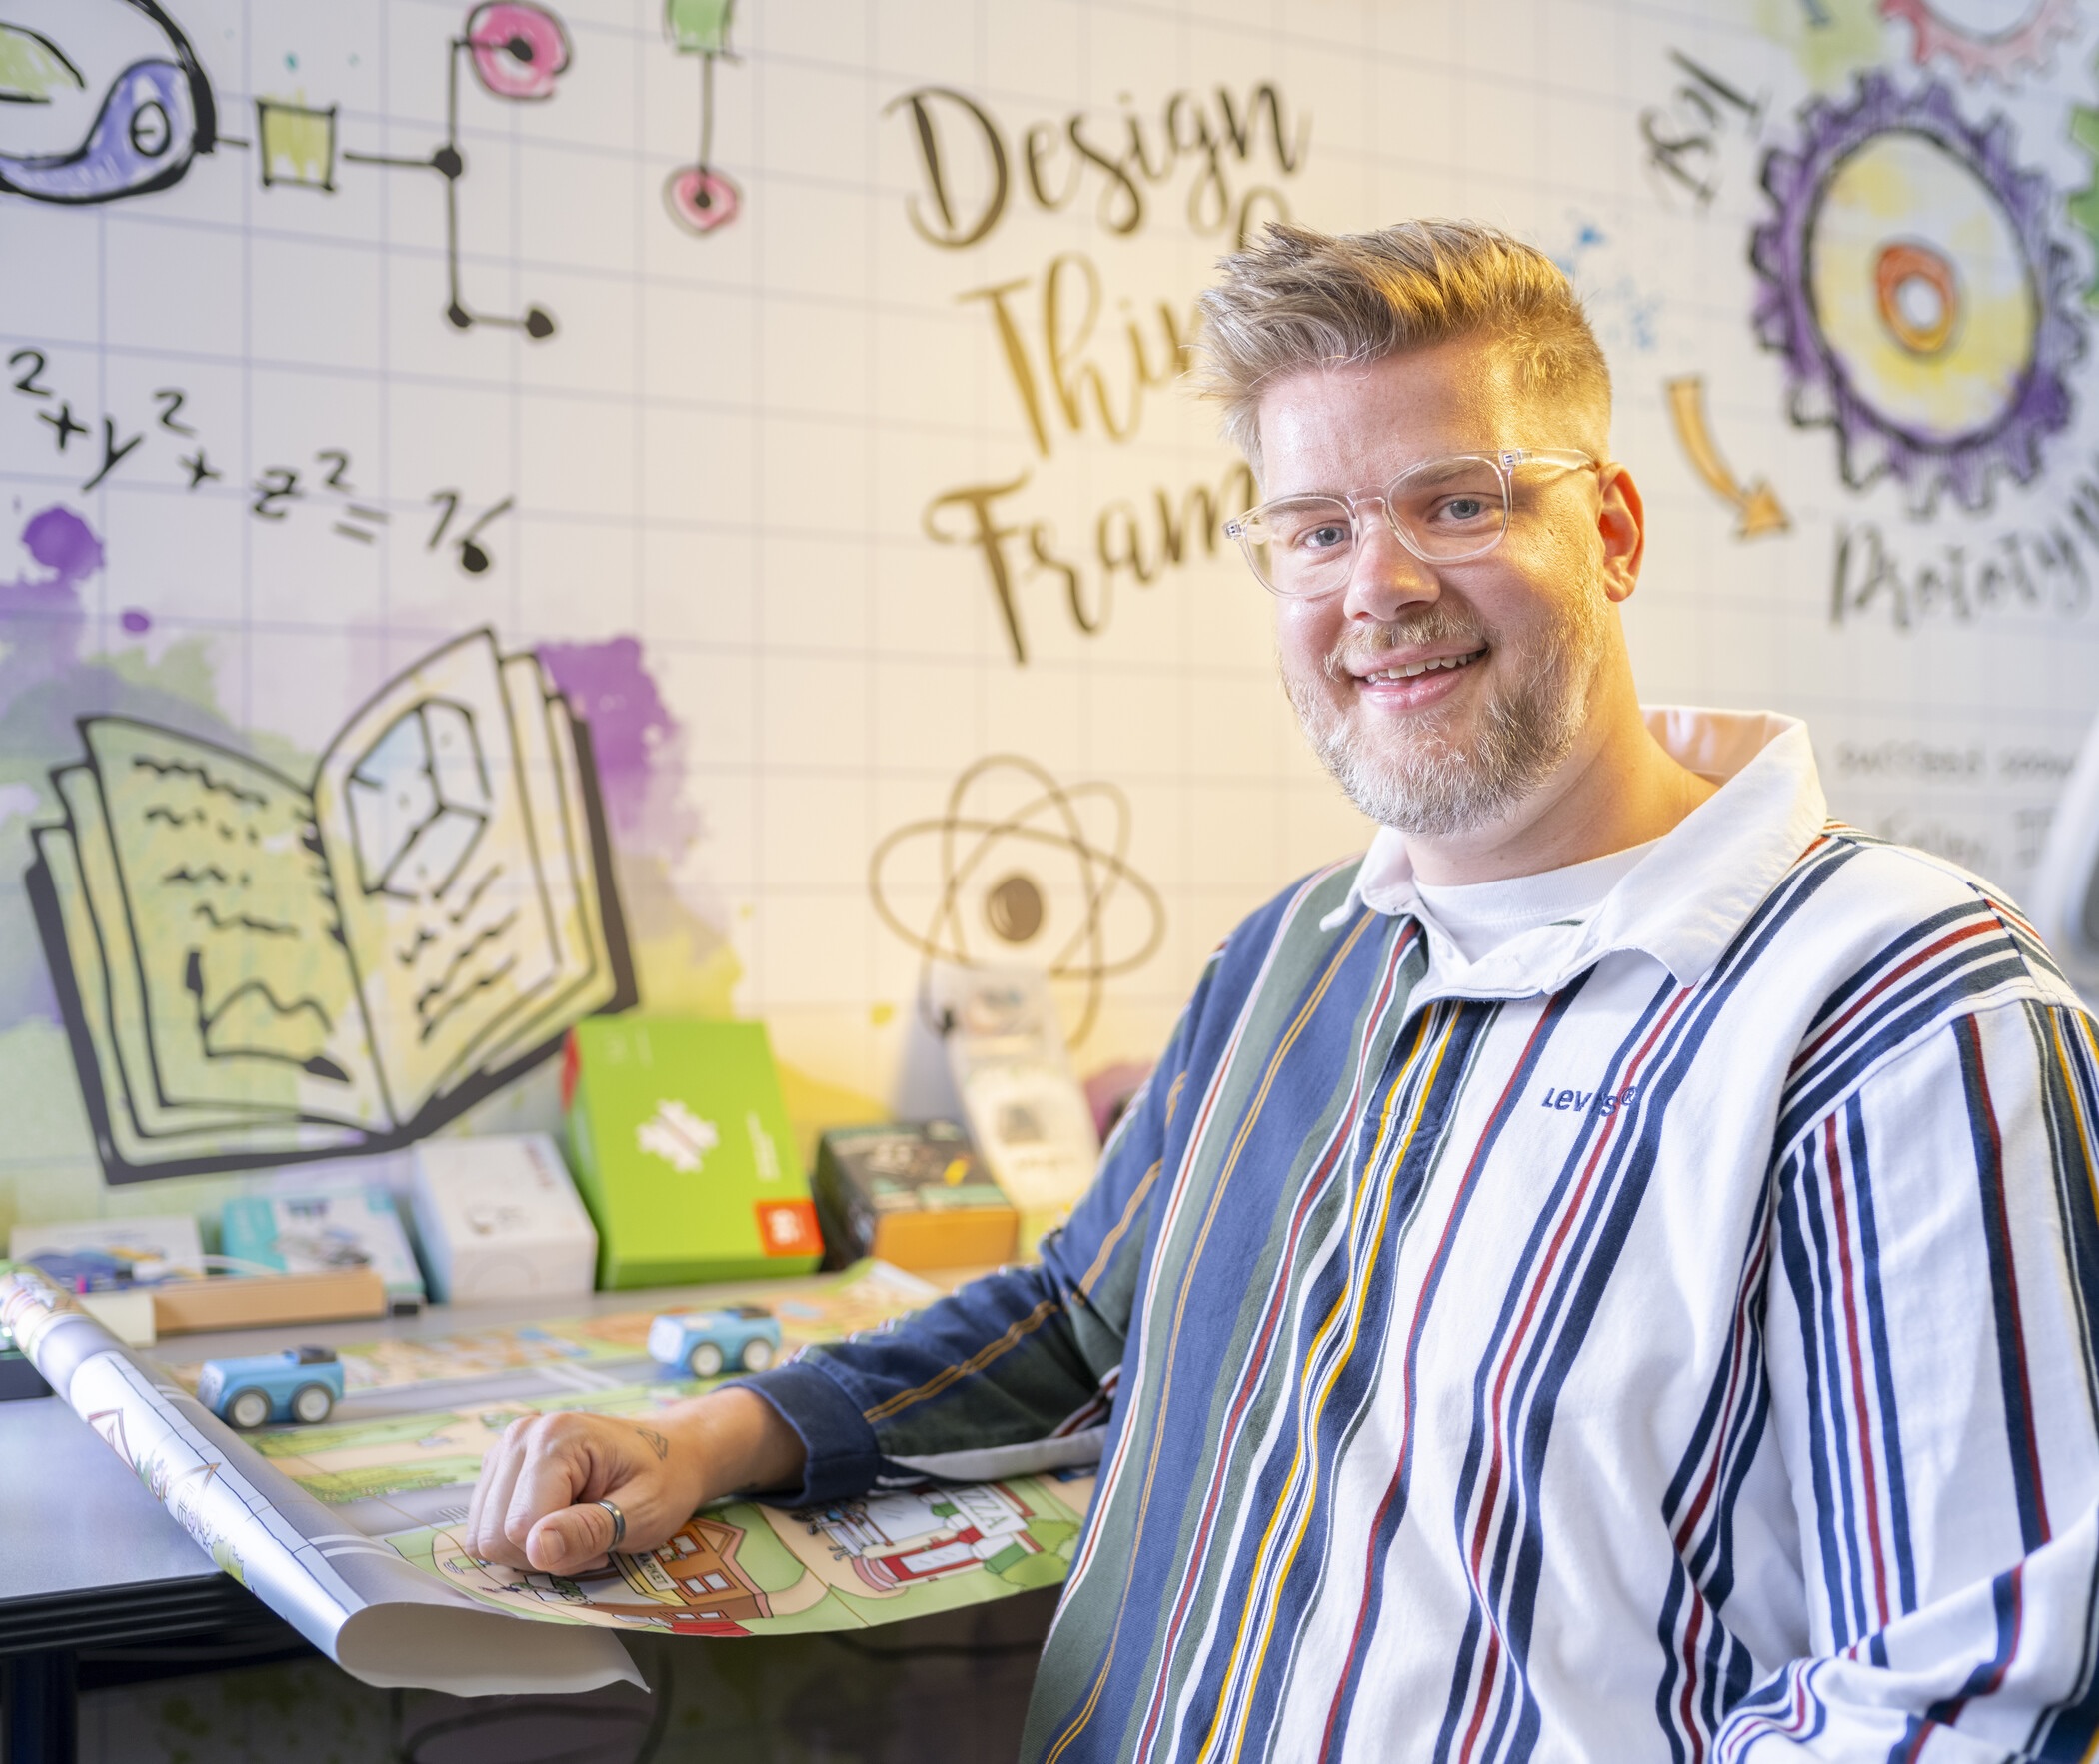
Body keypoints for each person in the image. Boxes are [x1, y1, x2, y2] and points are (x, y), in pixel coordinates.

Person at [468, 221, 2099, 1758]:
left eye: (1457, 502)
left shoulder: (1907, 1010)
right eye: (1315, 528)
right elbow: (1080, 1323)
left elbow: (1966, 1692)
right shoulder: (1296, 955)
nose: (1374, 584)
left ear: (1610, 530)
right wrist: (716, 1437)